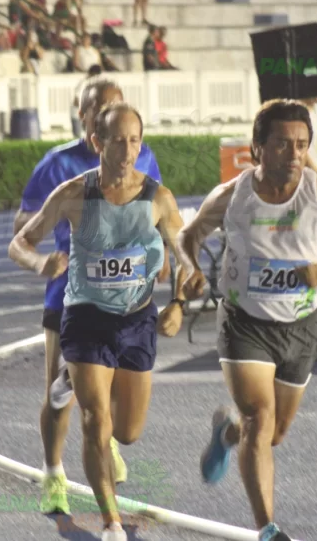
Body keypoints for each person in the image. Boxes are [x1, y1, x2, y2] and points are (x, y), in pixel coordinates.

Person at [176, 99, 317, 541]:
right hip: (245, 323)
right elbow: (189, 235)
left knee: (274, 433)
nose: (294, 154)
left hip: (301, 326)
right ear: (257, 148)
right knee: (260, 420)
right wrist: (190, 268)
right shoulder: (233, 195)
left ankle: (227, 433)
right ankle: (267, 529)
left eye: (301, 145)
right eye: (282, 143)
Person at [10, 102, 186, 541]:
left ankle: (68, 375)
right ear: (97, 142)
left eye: (135, 141)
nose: (127, 151)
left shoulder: (158, 198)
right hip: (86, 317)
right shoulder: (73, 193)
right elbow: (20, 242)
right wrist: (39, 263)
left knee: (127, 432)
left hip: (136, 320)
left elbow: (186, 253)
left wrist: (179, 302)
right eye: (118, 141)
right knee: (95, 420)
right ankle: (111, 522)